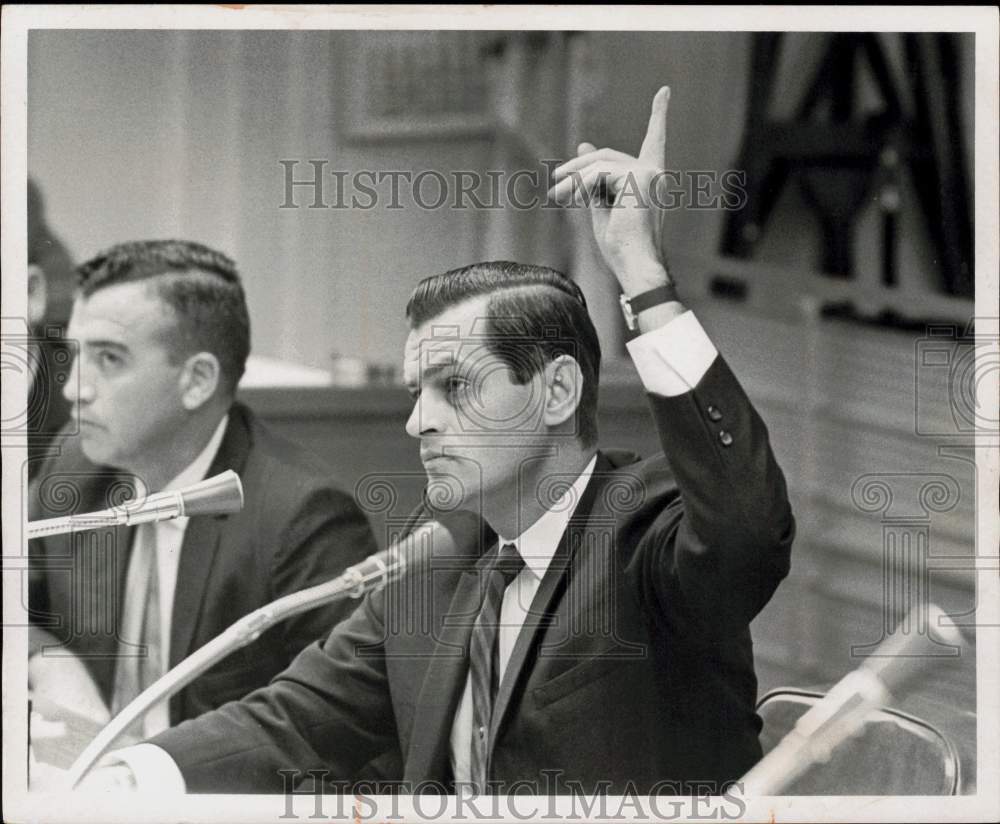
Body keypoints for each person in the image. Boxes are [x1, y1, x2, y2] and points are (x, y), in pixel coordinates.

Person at [86, 86, 794, 794]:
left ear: (557, 390)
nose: (418, 422)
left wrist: (643, 278)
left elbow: (747, 528)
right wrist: (123, 777)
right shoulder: (440, 555)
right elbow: (295, 721)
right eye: (414, 392)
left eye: (454, 386)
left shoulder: (645, 532)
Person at [28, 239, 378, 738]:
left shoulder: (302, 518)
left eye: (109, 359)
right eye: (74, 354)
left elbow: (341, 725)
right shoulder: (77, 465)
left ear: (197, 381)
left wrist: (149, 769)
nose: (73, 390)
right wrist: (49, 659)